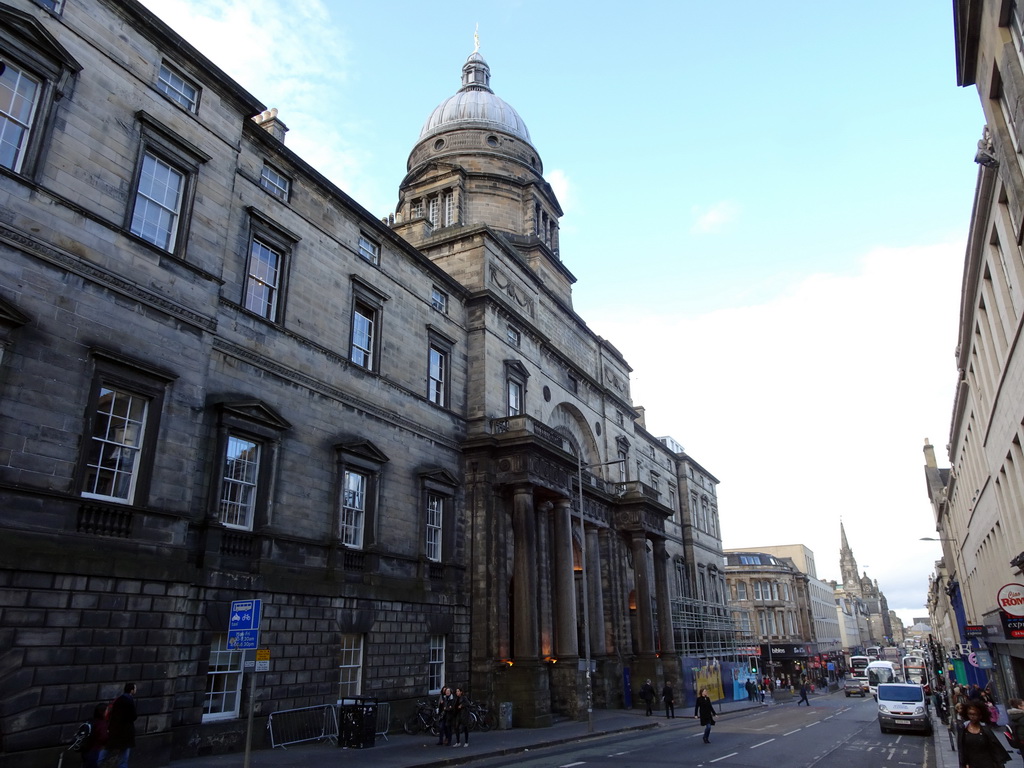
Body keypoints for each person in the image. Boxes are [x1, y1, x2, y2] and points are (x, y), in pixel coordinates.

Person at [956, 700, 1011, 768]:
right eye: (970, 714)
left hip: (988, 763)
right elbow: (962, 750)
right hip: (972, 764)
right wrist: (965, 763)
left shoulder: (985, 730)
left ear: (980, 716)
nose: (972, 717)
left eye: (975, 714)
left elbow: (994, 749)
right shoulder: (963, 731)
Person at [104, 683, 137, 768]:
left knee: (109, 748)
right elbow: (133, 716)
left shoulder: (119, 699)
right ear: (132, 690)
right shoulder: (129, 700)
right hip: (125, 731)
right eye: (135, 688)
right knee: (123, 754)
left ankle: (97, 763)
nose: (136, 690)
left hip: (115, 729)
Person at [81, 702, 109, 768]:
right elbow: (103, 737)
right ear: (103, 712)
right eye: (107, 710)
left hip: (85, 749)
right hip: (94, 750)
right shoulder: (102, 723)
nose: (107, 712)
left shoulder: (90, 720)